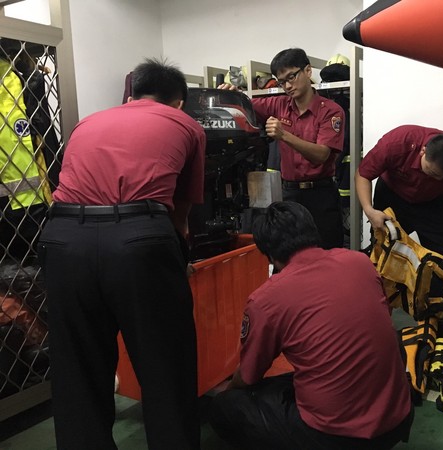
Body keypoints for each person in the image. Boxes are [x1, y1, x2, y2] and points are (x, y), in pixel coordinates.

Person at [38, 58, 205, 450]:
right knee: (166, 366)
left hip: (62, 239)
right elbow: (180, 213)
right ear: (179, 102)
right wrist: (176, 257)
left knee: (77, 371)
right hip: (139, 239)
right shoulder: (186, 125)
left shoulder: (88, 122)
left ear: (130, 95)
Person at [209, 201, 414, 450]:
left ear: (269, 255)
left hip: (336, 438)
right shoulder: (360, 262)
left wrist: (228, 391)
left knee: (226, 407)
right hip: (398, 419)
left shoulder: (267, 299)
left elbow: (249, 375)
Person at [219, 48, 345, 249]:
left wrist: (284, 135)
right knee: (290, 252)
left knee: (326, 252)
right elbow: (246, 106)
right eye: (281, 81)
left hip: (320, 195)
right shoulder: (279, 104)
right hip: (289, 194)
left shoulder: (331, 111)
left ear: (308, 71)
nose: (287, 86)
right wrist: (232, 95)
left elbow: (322, 154)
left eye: (291, 77)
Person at [355, 124, 443, 284]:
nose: (437, 179)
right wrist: (369, 210)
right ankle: (382, 296)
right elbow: (363, 175)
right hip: (392, 195)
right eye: (433, 173)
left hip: (433, 201)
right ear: (423, 151)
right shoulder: (397, 143)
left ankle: (438, 296)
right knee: (383, 253)